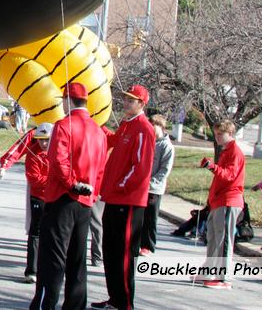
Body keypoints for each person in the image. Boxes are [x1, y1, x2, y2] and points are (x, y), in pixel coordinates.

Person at [29, 81, 107, 310]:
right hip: (85, 202)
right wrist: (91, 192)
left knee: (52, 259)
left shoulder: (64, 126)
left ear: (67, 100)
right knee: (77, 259)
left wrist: (73, 184)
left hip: (62, 198)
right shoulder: (98, 131)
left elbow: (58, 162)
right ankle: (75, 305)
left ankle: (45, 304)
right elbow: (102, 167)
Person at [91, 85, 155, 310]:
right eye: (126, 99)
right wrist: (99, 127)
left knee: (124, 255)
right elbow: (114, 142)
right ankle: (115, 298)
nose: (126, 103)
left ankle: (125, 302)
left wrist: (120, 185)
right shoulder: (127, 126)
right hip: (114, 198)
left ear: (141, 103)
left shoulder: (144, 129)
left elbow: (140, 167)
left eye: (131, 100)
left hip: (128, 201)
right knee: (110, 250)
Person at [0, 122, 52, 283]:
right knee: (35, 230)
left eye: (46, 140)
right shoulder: (34, 144)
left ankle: (53, 268)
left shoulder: (62, 137)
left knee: (56, 233)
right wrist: (5, 165)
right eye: (41, 140)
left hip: (57, 196)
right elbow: (20, 147)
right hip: (39, 195)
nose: (43, 143)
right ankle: (32, 270)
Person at [196, 121, 246, 289]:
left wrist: (212, 167)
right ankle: (209, 270)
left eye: (220, 134)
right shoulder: (225, 151)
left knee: (223, 240)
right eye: (216, 134)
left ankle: (223, 278)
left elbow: (229, 175)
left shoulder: (234, 152)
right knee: (213, 238)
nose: (216, 137)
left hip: (229, 200)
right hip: (219, 200)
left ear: (230, 134)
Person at [141, 115, 175, 256]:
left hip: (154, 189)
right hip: (141, 187)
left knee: (150, 217)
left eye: (153, 125)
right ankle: (137, 241)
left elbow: (164, 169)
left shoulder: (167, 146)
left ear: (160, 126)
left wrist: (151, 183)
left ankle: (148, 245)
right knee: (140, 216)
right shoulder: (148, 141)